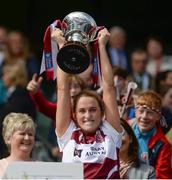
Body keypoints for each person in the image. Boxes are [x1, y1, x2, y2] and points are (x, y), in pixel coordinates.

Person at [54, 27, 123, 179]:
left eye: (93, 110)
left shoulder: (110, 132)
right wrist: (62, 47)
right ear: (74, 115)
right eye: (82, 111)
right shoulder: (68, 134)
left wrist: (102, 47)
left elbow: (109, 88)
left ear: (102, 113)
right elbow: (62, 89)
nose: (88, 115)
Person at [130, 90, 172, 179]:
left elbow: (162, 177)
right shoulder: (125, 131)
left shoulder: (163, 145)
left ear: (158, 116)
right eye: (141, 111)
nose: (144, 116)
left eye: (149, 112)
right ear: (135, 112)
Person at [0, 61, 36, 158]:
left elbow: (8, 122)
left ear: (12, 76)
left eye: (4, 74)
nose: (2, 78)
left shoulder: (19, 97)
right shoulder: (15, 95)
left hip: (15, 151)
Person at [0, 112, 36, 178]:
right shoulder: (1, 167)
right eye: (22, 134)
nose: (27, 138)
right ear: (8, 138)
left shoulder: (41, 167)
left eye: (30, 134)